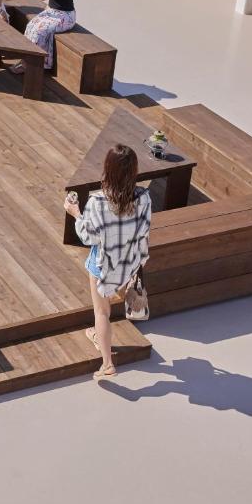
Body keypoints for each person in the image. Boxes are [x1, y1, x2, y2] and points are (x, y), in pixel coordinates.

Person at [64, 144, 151, 379]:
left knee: (102, 313)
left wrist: (75, 214)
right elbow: (144, 229)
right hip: (130, 262)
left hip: (103, 264)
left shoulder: (97, 202)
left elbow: (87, 237)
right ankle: (98, 333)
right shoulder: (144, 197)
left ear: (107, 170)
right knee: (107, 307)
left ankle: (107, 364)